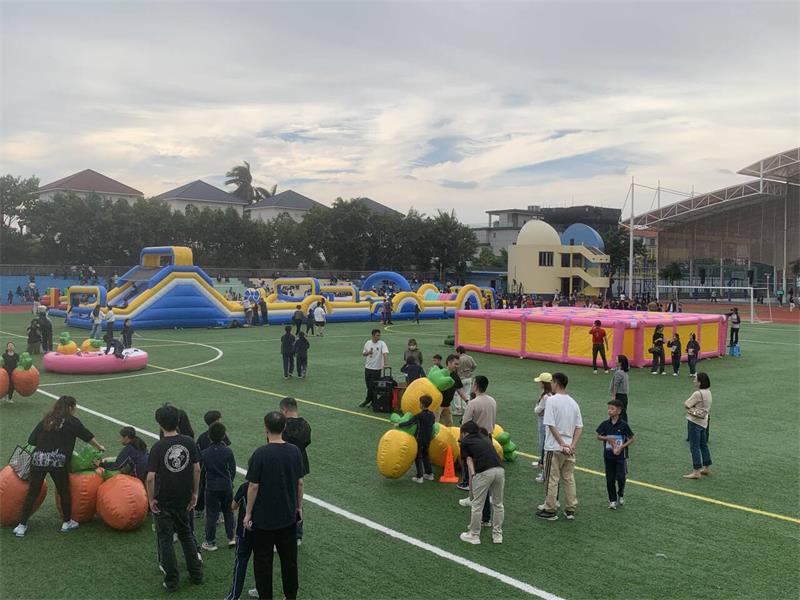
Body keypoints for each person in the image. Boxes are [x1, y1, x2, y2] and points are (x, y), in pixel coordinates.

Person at [14, 395, 106, 537]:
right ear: (70, 407)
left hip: (39, 460)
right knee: (64, 491)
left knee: (32, 493)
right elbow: (87, 436)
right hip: (59, 461)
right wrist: (99, 447)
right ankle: (66, 522)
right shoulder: (73, 422)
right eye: (74, 407)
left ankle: (22, 525)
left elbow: (31, 440)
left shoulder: (47, 419)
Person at [244, 411, 304, 600]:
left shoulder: (260, 453)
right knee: (289, 561)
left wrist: (248, 513)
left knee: (263, 561)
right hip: (287, 517)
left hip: (264, 520)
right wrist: (298, 507)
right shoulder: (294, 451)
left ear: (266, 428)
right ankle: (290, 595)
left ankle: (265, 596)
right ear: (284, 427)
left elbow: (253, 486)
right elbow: (300, 482)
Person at [146, 404, 203, 592]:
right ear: (178, 421)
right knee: (187, 535)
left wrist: (151, 499)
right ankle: (196, 575)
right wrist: (194, 493)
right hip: (184, 497)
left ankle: (172, 580)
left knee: (166, 539)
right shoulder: (189, 442)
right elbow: (196, 469)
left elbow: (150, 477)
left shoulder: (158, 447)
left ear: (159, 423)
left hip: (164, 500)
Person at [536, 372, 583, 521]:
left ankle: (550, 508)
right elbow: (579, 427)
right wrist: (571, 444)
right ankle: (570, 508)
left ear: (556, 382)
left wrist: (561, 443)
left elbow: (550, 424)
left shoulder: (552, 401)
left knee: (552, 479)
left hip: (554, 447)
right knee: (568, 478)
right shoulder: (573, 403)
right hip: (569, 448)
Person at [458, 420, 505, 545]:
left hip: (484, 472)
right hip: (499, 470)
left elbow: (468, 460)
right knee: (498, 504)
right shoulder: (484, 437)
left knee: (477, 505)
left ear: (465, 433)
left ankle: (474, 535)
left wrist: (473, 475)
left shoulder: (465, 441)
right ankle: (497, 535)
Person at [280, 397, 312, 545]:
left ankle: (281, 533)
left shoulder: (281, 425)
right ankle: (298, 534)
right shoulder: (306, 425)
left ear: (285, 410)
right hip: (299, 462)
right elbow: (306, 443)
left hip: (282, 463)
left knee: (280, 497)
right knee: (298, 499)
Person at [201, 422, 236, 552]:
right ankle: (232, 537)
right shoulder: (228, 451)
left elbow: (202, 471)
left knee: (211, 515)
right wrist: (229, 481)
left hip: (211, 488)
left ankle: (210, 542)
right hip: (226, 486)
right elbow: (232, 470)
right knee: (228, 512)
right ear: (223, 436)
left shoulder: (205, 453)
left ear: (209, 436)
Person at [595, 399, 635, 509]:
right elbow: (598, 436)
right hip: (608, 456)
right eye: (608, 408)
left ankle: (620, 494)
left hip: (620, 457)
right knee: (610, 479)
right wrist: (607, 438)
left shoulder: (623, 425)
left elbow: (631, 439)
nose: (609, 411)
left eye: (612, 409)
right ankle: (612, 500)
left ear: (619, 411)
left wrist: (621, 447)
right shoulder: (605, 424)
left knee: (621, 477)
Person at [196, 410, 232, 516]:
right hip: (220, 468)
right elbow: (227, 450)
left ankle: (199, 509)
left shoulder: (202, 437)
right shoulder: (222, 434)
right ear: (216, 421)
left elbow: (198, 452)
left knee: (203, 487)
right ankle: (218, 512)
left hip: (205, 467)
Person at [397, 395, 435, 483]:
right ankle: (429, 474)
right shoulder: (431, 414)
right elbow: (433, 422)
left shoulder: (419, 415)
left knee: (418, 457)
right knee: (426, 455)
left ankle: (419, 476)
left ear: (422, 404)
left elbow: (409, 422)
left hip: (420, 438)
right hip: (428, 438)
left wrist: (399, 425)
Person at [683, 372, 713, 480]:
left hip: (695, 421)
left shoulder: (697, 393)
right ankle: (706, 467)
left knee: (694, 446)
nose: (694, 380)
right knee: (703, 445)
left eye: (695, 379)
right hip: (704, 422)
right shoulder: (708, 392)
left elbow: (686, 404)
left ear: (700, 382)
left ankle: (696, 471)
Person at [437, 354, 469, 427]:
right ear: (449, 363)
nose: (457, 366)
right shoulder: (441, 373)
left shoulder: (455, 375)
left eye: (458, 364)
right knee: (434, 425)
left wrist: (467, 400)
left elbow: (459, 389)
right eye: (456, 364)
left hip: (447, 405)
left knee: (449, 424)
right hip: (438, 405)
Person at [359, 329, 388, 408]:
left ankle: (368, 400)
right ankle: (372, 401)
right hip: (368, 367)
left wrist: (385, 364)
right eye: (377, 335)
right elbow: (364, 353)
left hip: (377, 369)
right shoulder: (368, 343)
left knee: (373, 386)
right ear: (373, 336)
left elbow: (385, 353)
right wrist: (368, 353)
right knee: (368, 385)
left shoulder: (382, 343)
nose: (379, 337)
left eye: (379, 335)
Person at [533, 372, 553, 482]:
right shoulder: (551, 394)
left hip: (544, 421)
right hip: (546, 421)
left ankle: (544, 473)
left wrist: (537, 407)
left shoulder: (546, 396)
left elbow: (537, 410)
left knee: (543, 445)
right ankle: (541, 462)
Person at [454, 346, 477, 417]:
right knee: (467, 394)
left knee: (457, 394)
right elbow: (475, 366)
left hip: (460, 378)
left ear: (458, 352)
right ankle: (466, 409)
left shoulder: (458, 359)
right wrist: (470, 371)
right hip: (468, 378)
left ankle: (458, 409)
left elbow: (455, 368)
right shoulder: (470, 358)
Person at [609, 355, 630, 422]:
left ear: (620, 362)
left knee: (618, 413)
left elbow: (616, 384)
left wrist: (613, 395)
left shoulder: (619, 372)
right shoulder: (624, 371)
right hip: (624, 395)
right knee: (622, 412)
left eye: (616, 359)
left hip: (619, 395)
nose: (615, 361)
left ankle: (623, 428)